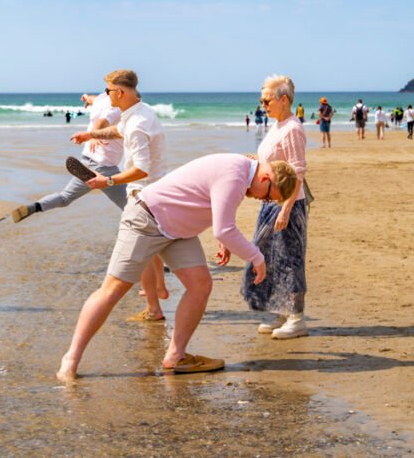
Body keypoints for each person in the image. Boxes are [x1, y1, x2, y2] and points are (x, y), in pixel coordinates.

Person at [56, 154, 297, 381]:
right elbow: (223, 228)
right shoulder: (236, 175)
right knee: (112, 290)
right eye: (267, 196)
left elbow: (216, 210)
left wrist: (225, 241)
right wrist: (257, 257)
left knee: (200, 285)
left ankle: (175, 356)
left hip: (177, 231)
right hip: (146, 219)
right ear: (266, 178)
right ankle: (71, 359)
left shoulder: (243, 172)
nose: (261, 200)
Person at [69, 70, 169, 322]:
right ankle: (156, 297)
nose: (105, 95)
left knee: (128, 261)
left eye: (108, 91)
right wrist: (90, 134)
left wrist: (108, 180)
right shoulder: (139, 112)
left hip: (143, 197)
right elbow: (117, 131)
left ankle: (154, 304)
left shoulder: (137, 124)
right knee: (149, 252)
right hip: (150, 195)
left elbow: (142, 169)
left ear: (120, 92)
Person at [243, 75, 311, 339]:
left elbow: (298, 171)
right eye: (261, 100)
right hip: (270, 201)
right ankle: (281, 311)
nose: (263, 105)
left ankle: (297, 317)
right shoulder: (277, 125)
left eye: (267, 100)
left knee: (289, 258)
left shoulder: (293, 128)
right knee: (269, 256)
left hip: (288, 204)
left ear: (284, 100)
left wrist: (285, 209)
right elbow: (273, 162)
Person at [12, 92, 127, 222]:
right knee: (131, 206)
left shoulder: (101, 100)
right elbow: (103, 121)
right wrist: (94, 135)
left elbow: (89, 98)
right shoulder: (116, 108)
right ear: (121, 93)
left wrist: (86, 98)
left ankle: (35, 207)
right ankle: (150, 232)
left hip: (86, 162)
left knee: (65, 197)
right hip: (104, 168)